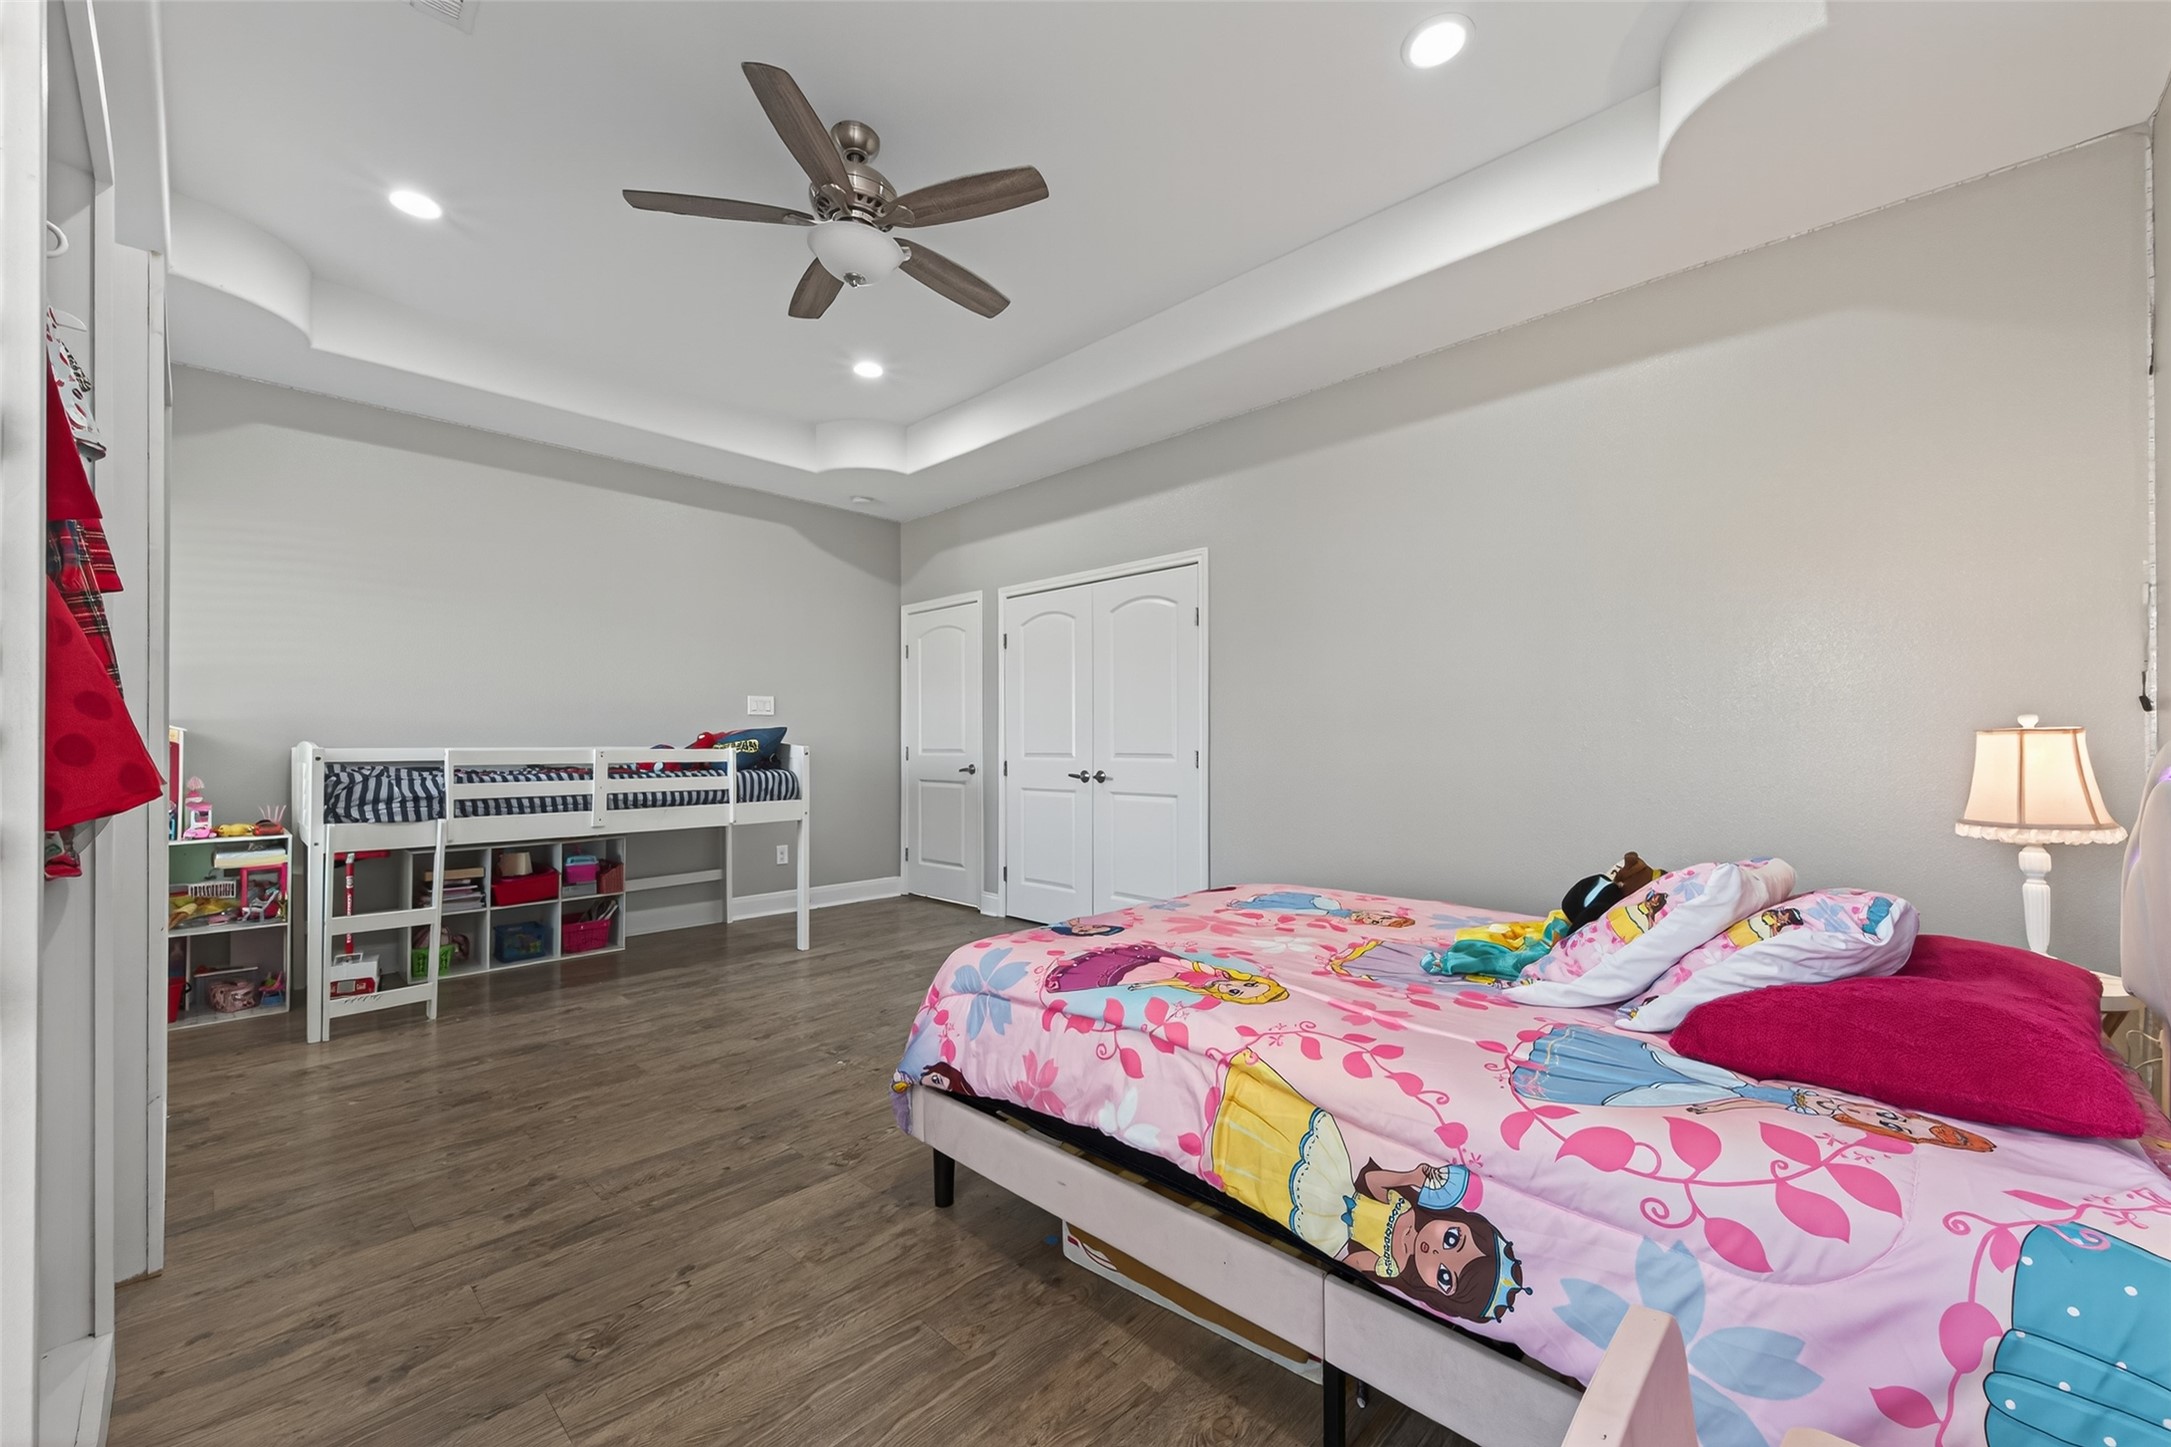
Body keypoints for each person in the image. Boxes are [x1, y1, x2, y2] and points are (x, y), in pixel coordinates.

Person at [1209, 1050, 1527, 1322]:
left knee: (1272, 1170)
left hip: (1323, 1218)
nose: (1434, 1251)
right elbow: (1373, 1182)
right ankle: (1229, 1105)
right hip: (1334, 1178)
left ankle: (1222, 1141)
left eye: (1444, 1276)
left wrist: (1332, 1262)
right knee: (1288, 1139)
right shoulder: (1406, 1207)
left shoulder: (1392, 1266)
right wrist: (1411, 1178)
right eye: (1452, 1238)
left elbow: (1354, 1261)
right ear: (1457, 1220)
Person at [1510, 1025, 1994, 1151]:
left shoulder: (1836, 1113)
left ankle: (1562, 1073)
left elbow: (1741, 1099)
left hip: (1725, 1089)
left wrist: (1714, 1108)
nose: (1883, 1118)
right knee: (1657, 1073)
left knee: (1652, 1084)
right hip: (1728, 1088)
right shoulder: (1828, 1107)